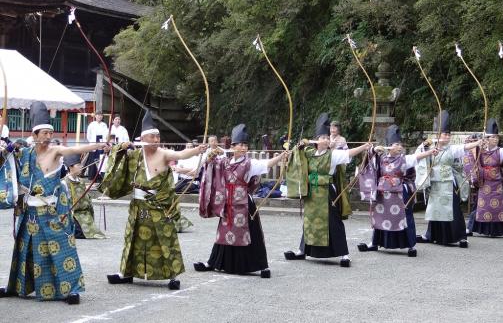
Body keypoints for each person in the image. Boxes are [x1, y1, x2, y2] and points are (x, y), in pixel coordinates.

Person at [0, 102, 109, 304]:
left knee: (62, 248)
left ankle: (72, 290)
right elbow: (5, 164)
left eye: (50, 133)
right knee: (25, 251)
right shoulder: (25, 153)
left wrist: (98, 146)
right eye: (44, 133)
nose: (48, 137)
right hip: (29, 213)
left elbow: (77, 148)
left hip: (50, 211)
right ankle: (15, 287)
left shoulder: (55, 151)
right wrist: (7, 147)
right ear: (34, 135)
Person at [100, 110, 206, 290]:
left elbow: (180, 155)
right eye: (152, 137)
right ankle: (126, 273)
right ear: (143, 138)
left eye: (158, 137)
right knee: (132, 239)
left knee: (164, 239)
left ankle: (172, 276)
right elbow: (113, 156)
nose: (156, 140)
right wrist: (118, 148)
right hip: (138, 205)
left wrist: (197, 150)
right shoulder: (134, 155)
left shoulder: (164, 154)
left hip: (157, 204)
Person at [194, 124, 287, 278]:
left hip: (244, 203)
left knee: (252, 234)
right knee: (224, 233)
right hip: (228, 202)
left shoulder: (249, 163)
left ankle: (261, 266)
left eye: (245, 145)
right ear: (233, 146)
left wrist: (280, 156)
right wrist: (209, 157)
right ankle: (213, 262)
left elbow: (266, 164)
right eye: (240, 145)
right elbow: (210, 166)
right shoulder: (225, 161)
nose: (243, 148)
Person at [283, 113, 369, 267]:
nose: (326, 139)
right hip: (311, 193)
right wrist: (299, 146)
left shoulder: (333, 154)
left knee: (334, 222)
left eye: (327, 137)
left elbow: (348, 153)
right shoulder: (309, 153)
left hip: (327, 192)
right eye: (322, 137)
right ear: (316, 140)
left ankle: (344, 255)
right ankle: (302, 251)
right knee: (309, 222)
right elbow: (295, 157)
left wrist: (364, 146)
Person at [357, 125, 438, 257]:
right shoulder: (381, 158)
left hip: (399, 194)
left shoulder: (404, 159)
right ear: (389, 146)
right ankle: (375, 243)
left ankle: (410, 245)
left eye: (400, 144)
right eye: (396, 144)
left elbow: (417, 157)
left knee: (405, 217)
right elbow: (368, 162)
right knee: (380, 217)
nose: (399, 147)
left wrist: (430, 152)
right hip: (383, 194)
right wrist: (373, 150)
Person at [415, 110, 481, 248]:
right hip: (434, 183)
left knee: (453, 209)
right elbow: (417, 157)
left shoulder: (451, 149)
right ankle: (431, 235)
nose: (447, 137)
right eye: (444, 134)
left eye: (448, 135)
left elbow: (464, 147)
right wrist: (425, 147)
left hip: (449, 183)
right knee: (435, 209)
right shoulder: (428, 147)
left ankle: (460, 237)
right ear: (437, 135)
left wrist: (478, 142)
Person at [63, 154, 106, 239]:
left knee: (89, 230)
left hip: (84, 213)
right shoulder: (64, 182)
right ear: (71, 167)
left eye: (81, 165)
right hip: (72, 214)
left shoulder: (81, 181)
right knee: (78, 232)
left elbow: (86, 198)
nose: (81, 167)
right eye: (78, 165)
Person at [85, 111, 108, 180]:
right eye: (98, 115)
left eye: (101, 115)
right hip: (94, 143)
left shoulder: (104, 125)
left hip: (101, 142)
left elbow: (106, 134)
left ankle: (100, 177)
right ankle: (92, 177)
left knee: (101, 160)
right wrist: (92, 142)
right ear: (95, 116)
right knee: (92, 160)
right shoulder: (91, 124)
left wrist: (104, 143)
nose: (99, 117)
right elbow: (88, 135)